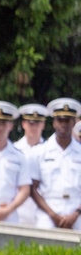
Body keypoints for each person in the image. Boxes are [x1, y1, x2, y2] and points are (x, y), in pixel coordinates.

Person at [28, 97, 81, 230]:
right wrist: (52, 215)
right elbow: (32, 189)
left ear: (74, 122)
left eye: (67, 120)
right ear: (54, 123)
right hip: (48, 208)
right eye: (60, 120)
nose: (64, 124)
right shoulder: (39, 152)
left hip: (77, 209)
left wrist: (75, 214)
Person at [13, 103, 48, 226]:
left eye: (37, 123)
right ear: (23, 124)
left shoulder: (49, 150)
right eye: (30, 123)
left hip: (44, 207)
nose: (34, 127)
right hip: (19, 206)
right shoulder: (14, 149)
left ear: (43, 125)